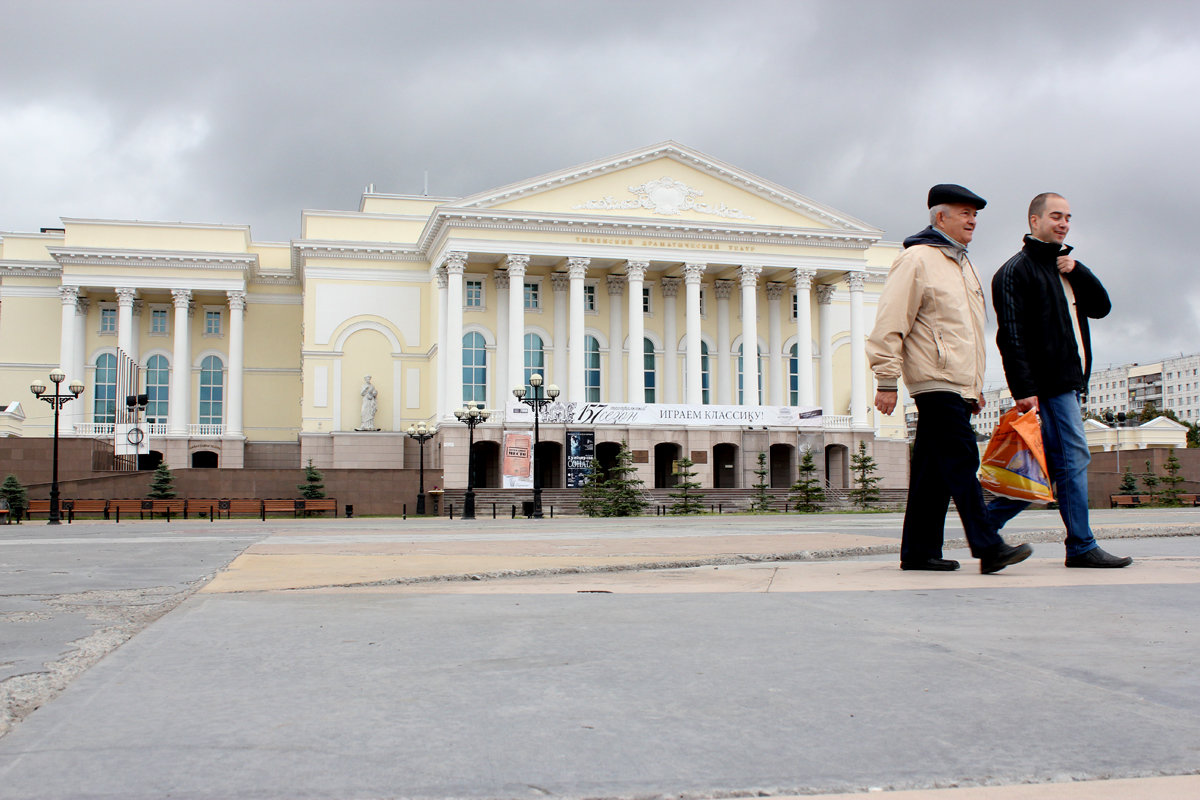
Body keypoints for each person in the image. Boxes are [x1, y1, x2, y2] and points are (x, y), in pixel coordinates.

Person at [868, 184, 1032, 574]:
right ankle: (988, 545)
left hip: (956, 384)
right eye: (964, 212)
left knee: (933, 472)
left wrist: (973, 387)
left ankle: (919, 552)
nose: (972, 220)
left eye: (975, 214)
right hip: (934, 379)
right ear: (940, 217)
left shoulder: (962, 264)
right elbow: (890, 322)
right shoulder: (916, 260)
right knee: (961, 459)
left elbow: (969, 333)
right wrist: (886, 380)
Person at [989, 193, 1131, 568]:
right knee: (1073, 458)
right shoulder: (1015, 271)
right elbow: (1011, 335)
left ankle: (984, 527)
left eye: (1068, 217)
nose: (1064, 222)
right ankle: (1082, 546)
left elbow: (1101, 308)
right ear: (1034, 221)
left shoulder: (1065, 269)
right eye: (1056, 216)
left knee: (1048, 465)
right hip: (1047, 385)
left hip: (1069, 382)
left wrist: (1078, 270)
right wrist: (1023, 389)